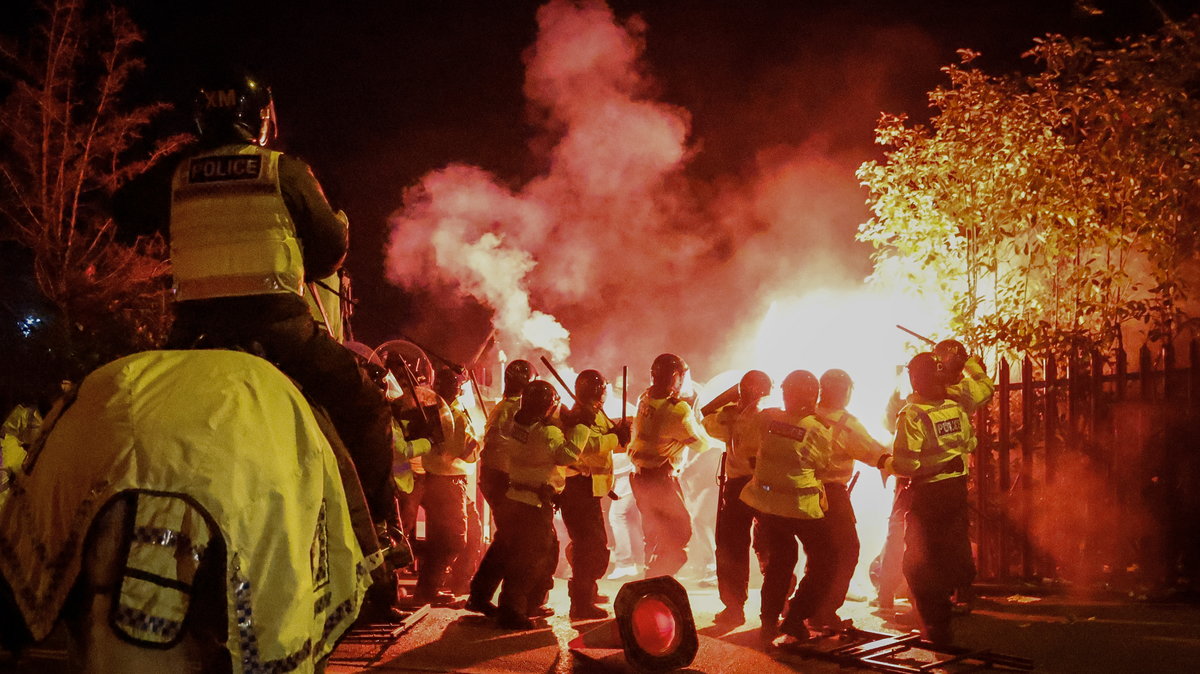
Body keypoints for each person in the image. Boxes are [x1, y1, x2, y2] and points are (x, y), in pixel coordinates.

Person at [113, 70, 399, 561]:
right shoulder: (281, 170)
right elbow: (330, 252)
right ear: (263, 117)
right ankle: (378, 533)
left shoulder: (176, 174)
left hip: (194, 333)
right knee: (367, 405)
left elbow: (125, 216)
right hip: (280, 330)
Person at [879, 352, 976, 646]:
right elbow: (970, 443)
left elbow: (907, 465)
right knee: (948, 553)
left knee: (917, 564)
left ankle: (935, 627)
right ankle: (940, 617)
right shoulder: (955, 408)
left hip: (929, 495)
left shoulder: (913, 415)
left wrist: (885, 462)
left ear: (915, 379)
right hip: (956, 491)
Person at [740, 370, 835, 647]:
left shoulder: (769, 419)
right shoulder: (817, 428)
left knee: (781, 563)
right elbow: (823, 465)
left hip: (768, 506)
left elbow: (747, 445)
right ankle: (795, 618)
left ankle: (769, 622)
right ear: (813, 395)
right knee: (826, 560)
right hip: (801, 507)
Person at [495, 381, 584, 629]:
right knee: (529, 559)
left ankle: (529, 603)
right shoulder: (547, 433)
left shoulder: (513, 425)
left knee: (536, 553)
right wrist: (580, 427)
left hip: (516, 499)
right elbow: (567, 456)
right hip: (534, 504)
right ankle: (513, 611)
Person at [813, 368, 888, 630]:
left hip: (799, 492)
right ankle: (824, 611)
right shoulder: (847, 424)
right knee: (846, 550)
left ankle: (806, 607)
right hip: (832, 495)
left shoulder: (806, 414)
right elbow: (875, 453)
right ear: (846, 392)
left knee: (819, 554)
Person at [701, 370, 771, 628]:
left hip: (748, 484)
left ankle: (735, 608)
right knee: (767, 545)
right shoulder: (768, 414)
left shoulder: (735, 415)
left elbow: (705, 418)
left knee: (735, 547)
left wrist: (729, 399)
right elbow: (706, 420)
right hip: (763, 485)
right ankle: (774, 606)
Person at [559, 370, 631, 619]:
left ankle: (586, 589)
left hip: (590, 488)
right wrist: (614, 438)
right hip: (578, 486)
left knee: (590, 544)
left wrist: (620, 434)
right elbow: (585, 447)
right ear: (600, 391)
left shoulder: (594, 413)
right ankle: (580, 602)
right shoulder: (580, 415)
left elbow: (607, 441)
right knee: (590, 546)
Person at [629, 353, 708, 578]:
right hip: (661, 478)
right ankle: (658, 579)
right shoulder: (677, 409)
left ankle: (648, 581)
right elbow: (700, 444)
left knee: (653, 533)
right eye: (681, 376)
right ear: (675, 377)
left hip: (640, 477)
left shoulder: (644, 397)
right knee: (681, 531)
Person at [467, 359, 536, 615]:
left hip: (497, 476)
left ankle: (480, 594)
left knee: (508, 538)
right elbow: (499, 441)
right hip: (500, 478)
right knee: (510, 539)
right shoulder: (512, 409)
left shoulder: (508, 406)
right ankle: (481, 595)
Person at [412, 367, 481, 605]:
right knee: (451, 539)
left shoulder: (437, 411)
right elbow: (459, 449)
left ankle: (459, 582)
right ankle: (429, 588)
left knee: (471, 532)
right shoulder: (442, 415)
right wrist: (474, 446)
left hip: (445, 480)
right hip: (446, 481)